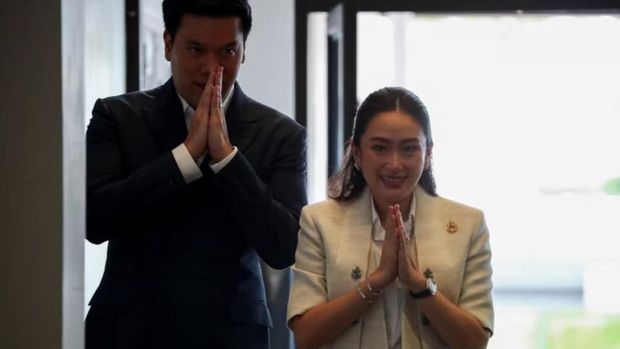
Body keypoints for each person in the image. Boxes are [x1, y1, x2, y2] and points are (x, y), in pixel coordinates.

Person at [85, 1, 307, 348]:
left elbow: (284, 247)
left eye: (228, 51)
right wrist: (184, 158)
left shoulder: (280, 134)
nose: (212, 68)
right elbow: (94, 222)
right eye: (195, 50)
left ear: (244, 50)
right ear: (168, 44)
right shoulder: (117, 117)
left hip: (232, 332)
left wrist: (228, 160)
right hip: (129, 327)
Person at [287, 87, 493, 349]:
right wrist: (377, 281)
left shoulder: (468, 225)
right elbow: (305, 336)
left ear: (428, 153)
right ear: (357, 153)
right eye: (380, 148)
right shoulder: (318, 221)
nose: (394, 164)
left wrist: (418, 284)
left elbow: (476, 341)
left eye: (409, 149)